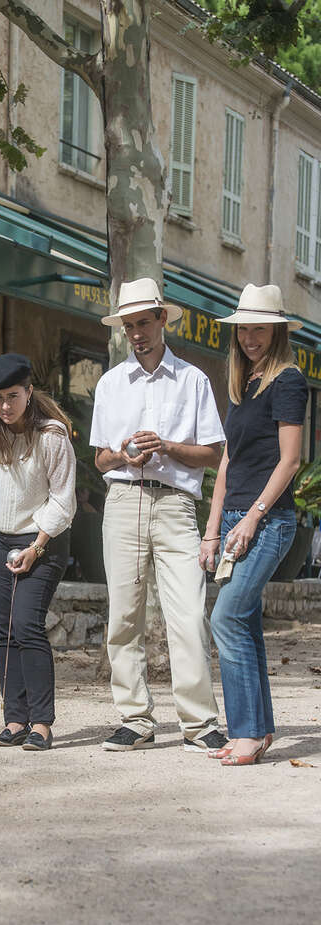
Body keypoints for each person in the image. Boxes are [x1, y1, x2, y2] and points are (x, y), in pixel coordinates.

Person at [91, 278, 228, 753]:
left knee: (189, 614)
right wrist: (122, 454)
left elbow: (213, 453)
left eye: (143, 323)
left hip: (175, 504)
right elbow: (99, 461)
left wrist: (166, 447)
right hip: (124, 499)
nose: (136, 334)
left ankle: (199, 722)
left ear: (162, 320)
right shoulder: (110, 384)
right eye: (128, 326)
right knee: (123, 615)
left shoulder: (193, 381)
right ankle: (134, 718)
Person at [200, 284, 308, 766]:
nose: (249, 338)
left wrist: (253, 520)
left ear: (277, 331)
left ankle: (244, 731)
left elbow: (290, 461)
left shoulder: (288, 381)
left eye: (259, 329)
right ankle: (259, 730)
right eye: (244, 329)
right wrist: (213, 527)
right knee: (242, 620)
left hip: (269, 520)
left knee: (225, 616)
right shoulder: (243, 383)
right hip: (235, 518)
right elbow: (228, 461)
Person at [0, 353, 76, 751]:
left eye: (13, 396)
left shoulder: (52, 435)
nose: (5, 406)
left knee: (27, 623)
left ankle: (42, 723)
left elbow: (64, 502)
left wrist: (35, 547)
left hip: (43, 534)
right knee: (4, 628)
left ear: (29, 392)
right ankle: (14, 719)